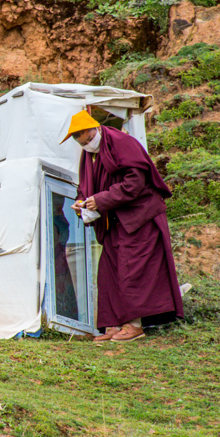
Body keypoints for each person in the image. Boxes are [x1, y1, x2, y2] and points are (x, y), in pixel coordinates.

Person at [62, 110, 183, 342]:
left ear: (96, 128)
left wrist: (102, 200)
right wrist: (82, 203)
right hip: (115, 221)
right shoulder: (90, 153)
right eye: (82, 144)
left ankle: (134, 325)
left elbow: (135, 181)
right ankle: (113, 325)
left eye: (88, 140)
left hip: (140, 216)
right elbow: (87, 186)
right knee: (108, 271)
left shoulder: (121, 142)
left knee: (132, 268)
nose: (87, 146)